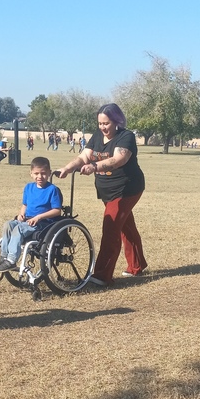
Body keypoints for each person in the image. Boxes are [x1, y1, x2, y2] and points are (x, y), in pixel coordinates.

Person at [55, 103, 147, 285]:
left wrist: (94, 167)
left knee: (111, 226)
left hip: (126, 189)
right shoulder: (97, 137)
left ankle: (101, 275)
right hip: (107, 190)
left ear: (116, 121)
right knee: (126, 226)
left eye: (106, 123)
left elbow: (119, 159)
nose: (103, 127)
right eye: (100, 123)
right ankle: (137, 265)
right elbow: (83, 157)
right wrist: (67, 168)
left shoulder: (126, 136)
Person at [0, 157, 64, 271]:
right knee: (8, 225)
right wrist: (21, 215)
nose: (40, 177)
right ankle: (4, 256)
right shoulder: (28, 187)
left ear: (49, 173)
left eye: (43, 173)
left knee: (19, 229)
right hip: (27, 220)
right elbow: (25, 205)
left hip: (43, 223)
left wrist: (39, 217)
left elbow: (57, 210)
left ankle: (11, 260)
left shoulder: (52, 190)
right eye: (36, 173)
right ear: (31, 173)